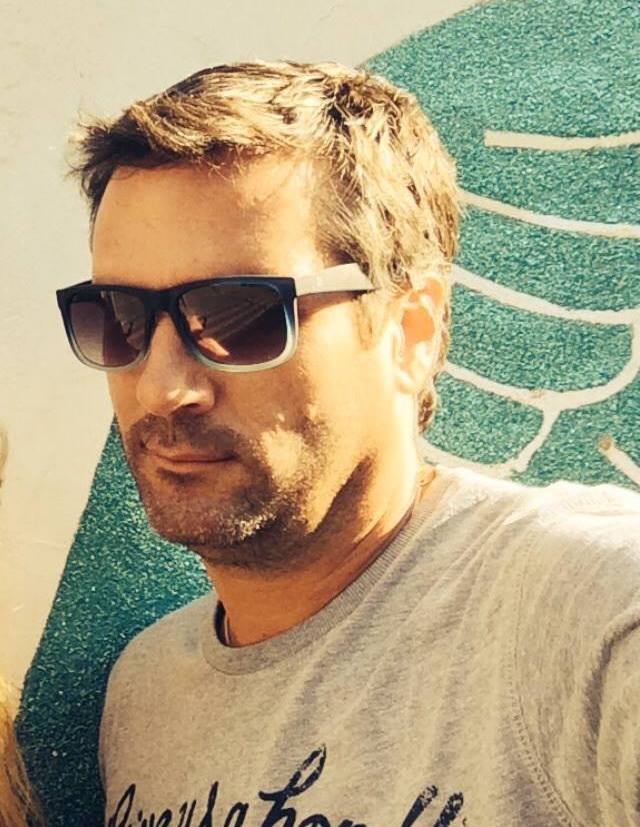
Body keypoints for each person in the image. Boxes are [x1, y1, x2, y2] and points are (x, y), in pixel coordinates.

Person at [57, 61, 640, 827]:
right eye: (121, 317)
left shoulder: (583, 616)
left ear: (411, 332)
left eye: (238, 316)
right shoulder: (143, 695)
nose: (163, 387)